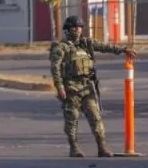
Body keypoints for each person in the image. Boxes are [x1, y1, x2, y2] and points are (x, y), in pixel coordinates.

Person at [49, 15, 136, 157]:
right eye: (74, 27)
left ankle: (102, 147)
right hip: (71, 88)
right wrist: (59, 87)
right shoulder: (61, 47)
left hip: (87, 87)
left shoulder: (86, 44)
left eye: (79, 27)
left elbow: (105, 46)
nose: (77, 29)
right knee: (72, 120)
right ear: (67, 29)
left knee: (96, 118)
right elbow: (55, 68)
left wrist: (123, 50)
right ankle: (74, 148)